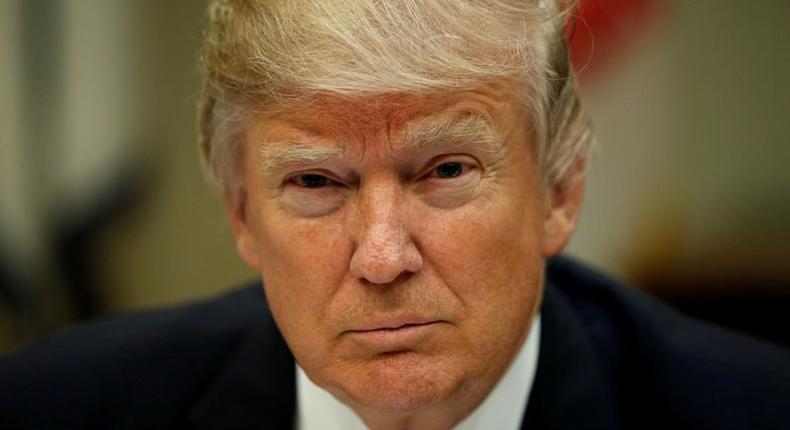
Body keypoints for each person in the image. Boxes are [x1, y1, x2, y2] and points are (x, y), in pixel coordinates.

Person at [1, 1, 788, 429]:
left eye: (446, 171)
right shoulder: (52, 411)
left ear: (559, 192)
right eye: (315, 183)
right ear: (241, 214)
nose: (382, 257)